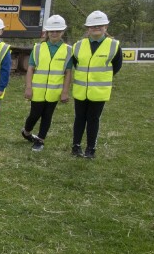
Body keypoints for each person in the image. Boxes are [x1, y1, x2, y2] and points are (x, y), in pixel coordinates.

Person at [70, 10, 122, 159]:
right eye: (93, 26)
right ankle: (76, 146)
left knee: (93, 119)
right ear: (87, 28)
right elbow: (75, 64)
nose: (96, 28)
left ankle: (91, 149)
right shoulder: (78, 45)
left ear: (106, 27)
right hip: (81, 90)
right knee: (79, 118)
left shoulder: (113, 45)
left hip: (99, 91)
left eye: (99, 26)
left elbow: (116, 66)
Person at [21, 15, 73, 152]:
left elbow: (68, 72)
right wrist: (28, 87)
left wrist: (65, 91)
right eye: (52, 31)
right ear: (47, 32)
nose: (54, 34)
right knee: (34, 114)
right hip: (37, 90)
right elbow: (31, 69)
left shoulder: (68, 50)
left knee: (47, 116)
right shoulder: (38, 48)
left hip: (54, 91)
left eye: (58, 31)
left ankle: (40, 140)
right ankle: (26, 131)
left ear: (63, 32)